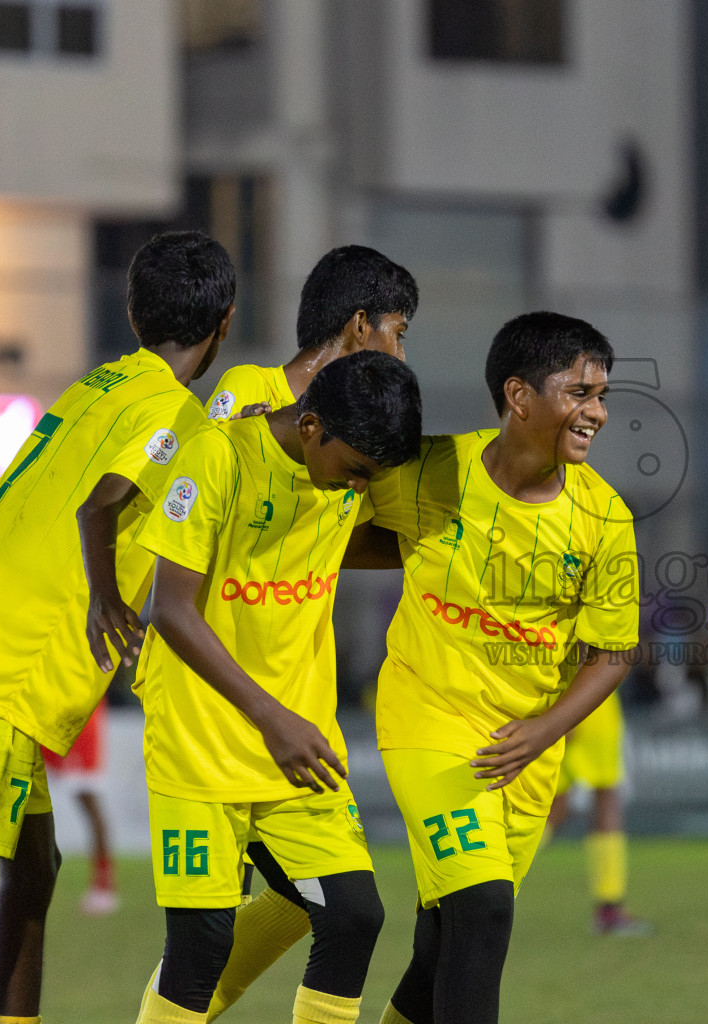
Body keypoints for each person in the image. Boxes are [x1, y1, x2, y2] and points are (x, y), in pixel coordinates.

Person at [0, 230, 233, 1024]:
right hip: (1, 657)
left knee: (34, 865)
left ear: (134, 310)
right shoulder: (173, 413)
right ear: (224, 320)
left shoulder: (98, 383)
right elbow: (101, 500)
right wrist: (107, 596)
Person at [353, 311, 640, 1024]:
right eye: (579, 393)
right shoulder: (430, 469)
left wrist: (545, 731)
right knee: (483, 912)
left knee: (442, 945)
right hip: (428, 721)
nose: (597, 413)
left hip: (522, 754)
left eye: (602, 396)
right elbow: (336, 526)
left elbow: (612, 651)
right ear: (519, 397)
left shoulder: (604, 518)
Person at [131, 351, 422, 1024]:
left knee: (352, 916)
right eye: (355, 472)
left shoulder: (340, 472)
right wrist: (271, 717)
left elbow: (384, 539)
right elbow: (168, 609)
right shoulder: (216, 457)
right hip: (200, 745)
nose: (358, 488)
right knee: (199, 947)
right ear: (312, 426)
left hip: (297, 751)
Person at [193, 243, 420, 1021]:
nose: (401, 347)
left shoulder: (363, 439)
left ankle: (182, 1006)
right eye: (399, 329)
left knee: (318, 905)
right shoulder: (247, 397)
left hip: (304, 714)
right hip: (221, 720)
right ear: (360, 326)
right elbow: (214, 522)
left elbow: (342, 537)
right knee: (304, 912)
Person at [206, 245, 417, 422]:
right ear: (360, 326)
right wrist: (238, 440)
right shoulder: (250, 386)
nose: (401, 356)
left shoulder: (363, 425)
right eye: (398, 335)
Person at [546, 691, 652, 936]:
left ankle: (487, 885)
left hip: (552, 696)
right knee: (606, 798)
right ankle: (610, 908)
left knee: (553, 808)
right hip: (591, 699)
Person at [40, 700, 119, 916]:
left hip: (76, 708)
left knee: (88, 799)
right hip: (39, 706)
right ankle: (8, 887)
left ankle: (104, 886)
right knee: (19, 792)